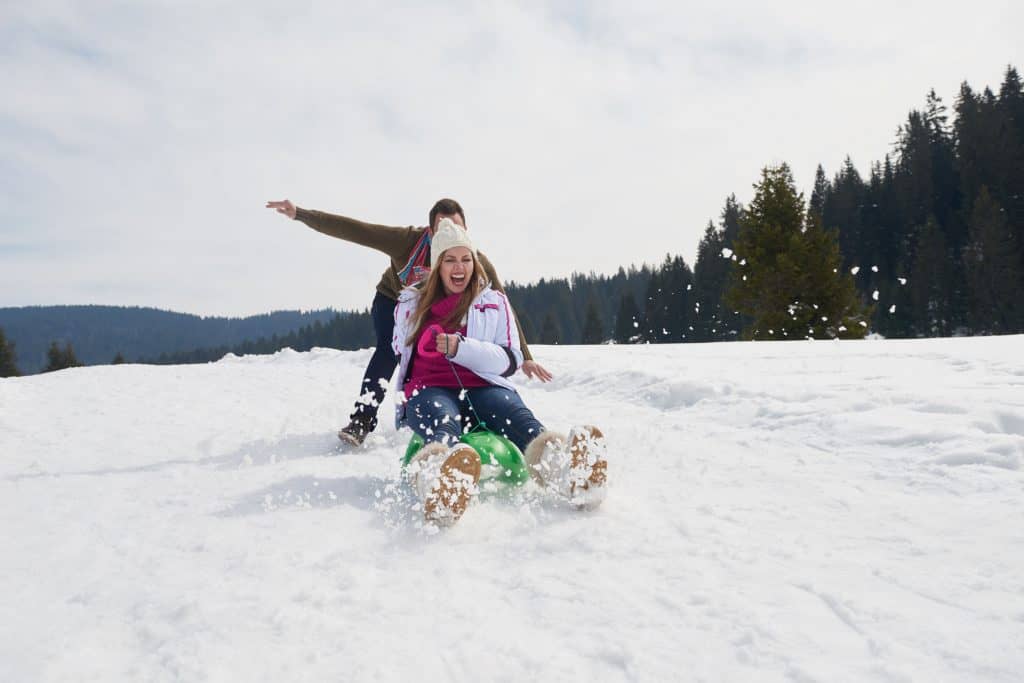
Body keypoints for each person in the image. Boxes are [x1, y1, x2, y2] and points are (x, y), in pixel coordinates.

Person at [265, 198, 552, 448]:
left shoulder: (472, 260)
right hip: (397, 301)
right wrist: (300, 213)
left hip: (444, 313)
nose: (451, 235)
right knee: (389, 352)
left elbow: (501, 304)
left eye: (459, 229)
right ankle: (362, 419)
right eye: (443, 228)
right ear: (430, 231)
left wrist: (524, 356)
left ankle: (468, 408)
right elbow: (355, 230)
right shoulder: (406, 242)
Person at [393, 218, 607, 526]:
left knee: (518, 417)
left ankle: (568, 472)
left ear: (474, 263)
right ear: (438, 266)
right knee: (443, 422)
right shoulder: (411, 304)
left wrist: (460, 348)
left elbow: (510, 360)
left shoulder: (493, 302)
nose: (459, 267)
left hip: (483, 386)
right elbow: (400, 349)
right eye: (450, 260)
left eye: (466, 259)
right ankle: (437, 487)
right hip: (429, 388)